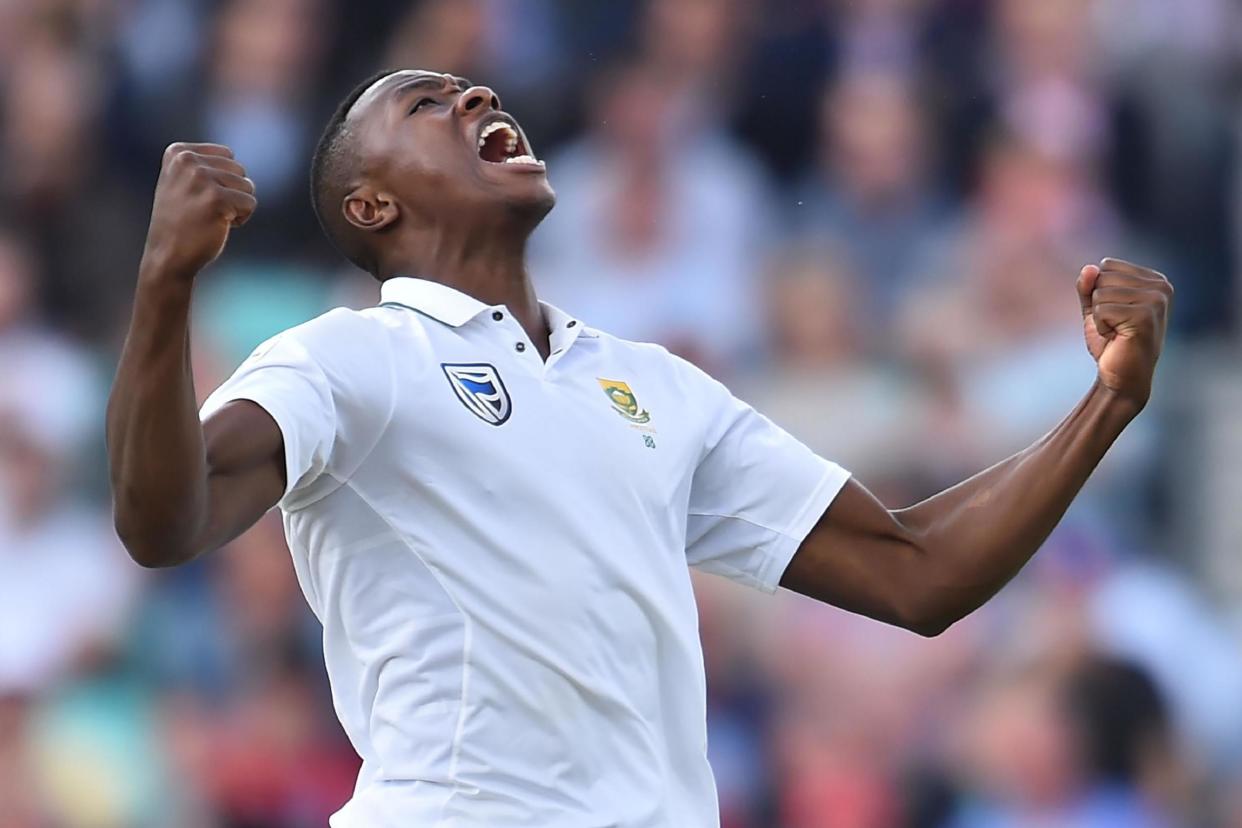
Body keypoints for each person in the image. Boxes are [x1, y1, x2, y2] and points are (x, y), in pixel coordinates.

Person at [105, 70, 1173, 827]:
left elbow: (919, 573)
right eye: (428, 104)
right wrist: (162, 287)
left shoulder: (649, 383)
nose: (478, 99)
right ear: (371, 203)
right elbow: (164, 521)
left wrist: (1104, 406)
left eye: (477, 91)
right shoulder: (348, 357)